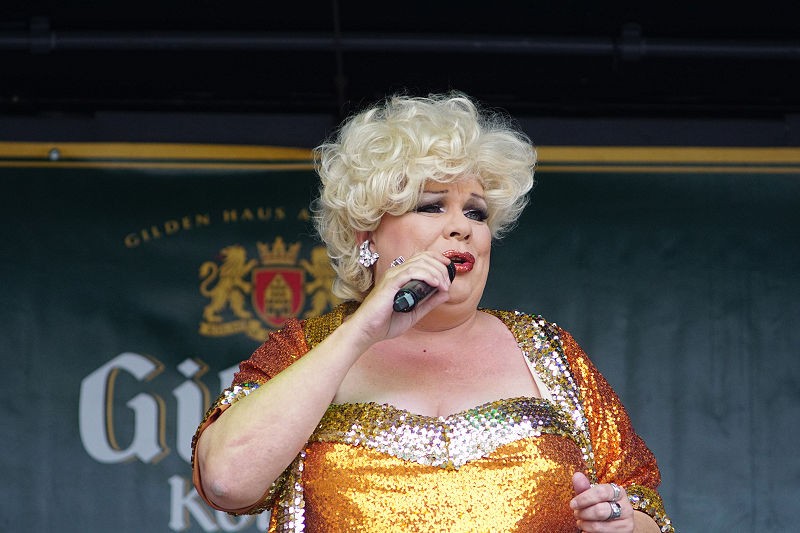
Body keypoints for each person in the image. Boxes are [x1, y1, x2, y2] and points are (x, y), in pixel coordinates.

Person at [191, 93, 673, 533]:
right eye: (431, 206)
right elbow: (226, 481)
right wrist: (361, 332)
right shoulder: (307, 347)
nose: (461, 227)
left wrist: (623, 523)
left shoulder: (549, 351)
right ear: (367, 236)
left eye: (476, 212)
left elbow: (644, 509)